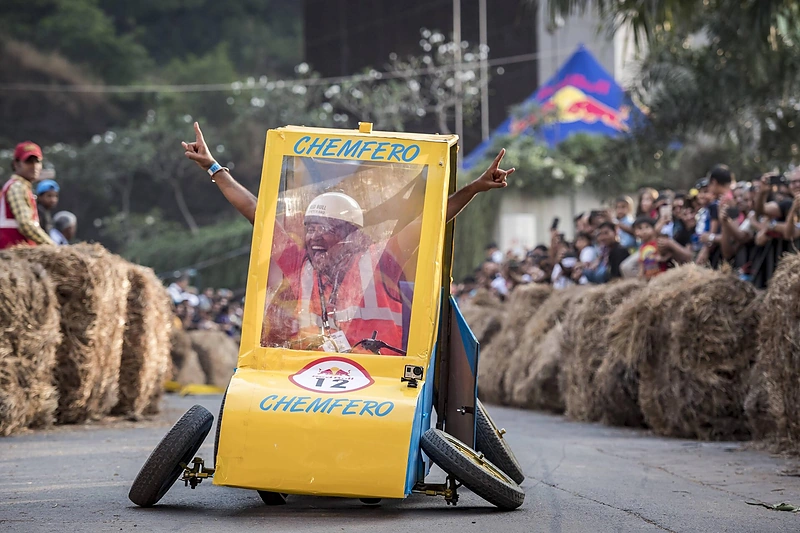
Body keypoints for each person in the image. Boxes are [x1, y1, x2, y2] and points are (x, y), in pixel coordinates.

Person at [182, 122, 514, 354]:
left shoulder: (381, 258)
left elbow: (429, 221)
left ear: (348, 235)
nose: (311, 236)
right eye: (308, 227)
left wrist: (474, 187)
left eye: (322, 228)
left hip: (378, 381)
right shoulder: (300, 262)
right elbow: (256, 211)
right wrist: (213, 167)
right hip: (307, 375)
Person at [0, 142, 54, 248]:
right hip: (12, 252)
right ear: (16, 164)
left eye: (37, 161)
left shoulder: (22, 187)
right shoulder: (17, 187)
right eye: (28, 162)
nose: (34, 166)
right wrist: (51, 245)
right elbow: (25, 225)